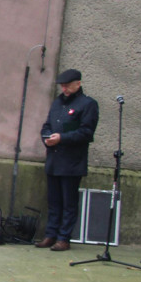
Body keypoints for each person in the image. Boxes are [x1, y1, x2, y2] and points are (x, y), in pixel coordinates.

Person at [36, 69, 99, 252]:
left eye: (67, 85)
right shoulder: (58, 103)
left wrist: (62, 138)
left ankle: (64, 238)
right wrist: (46, 137)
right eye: (62, 85)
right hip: (54, 159)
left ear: (78, 84)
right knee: (54, 201)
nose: (64, 88)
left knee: (68, 203)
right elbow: (47, 125)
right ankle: (50, 234)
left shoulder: (88, 104)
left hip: (72, 162)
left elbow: (86, 133)